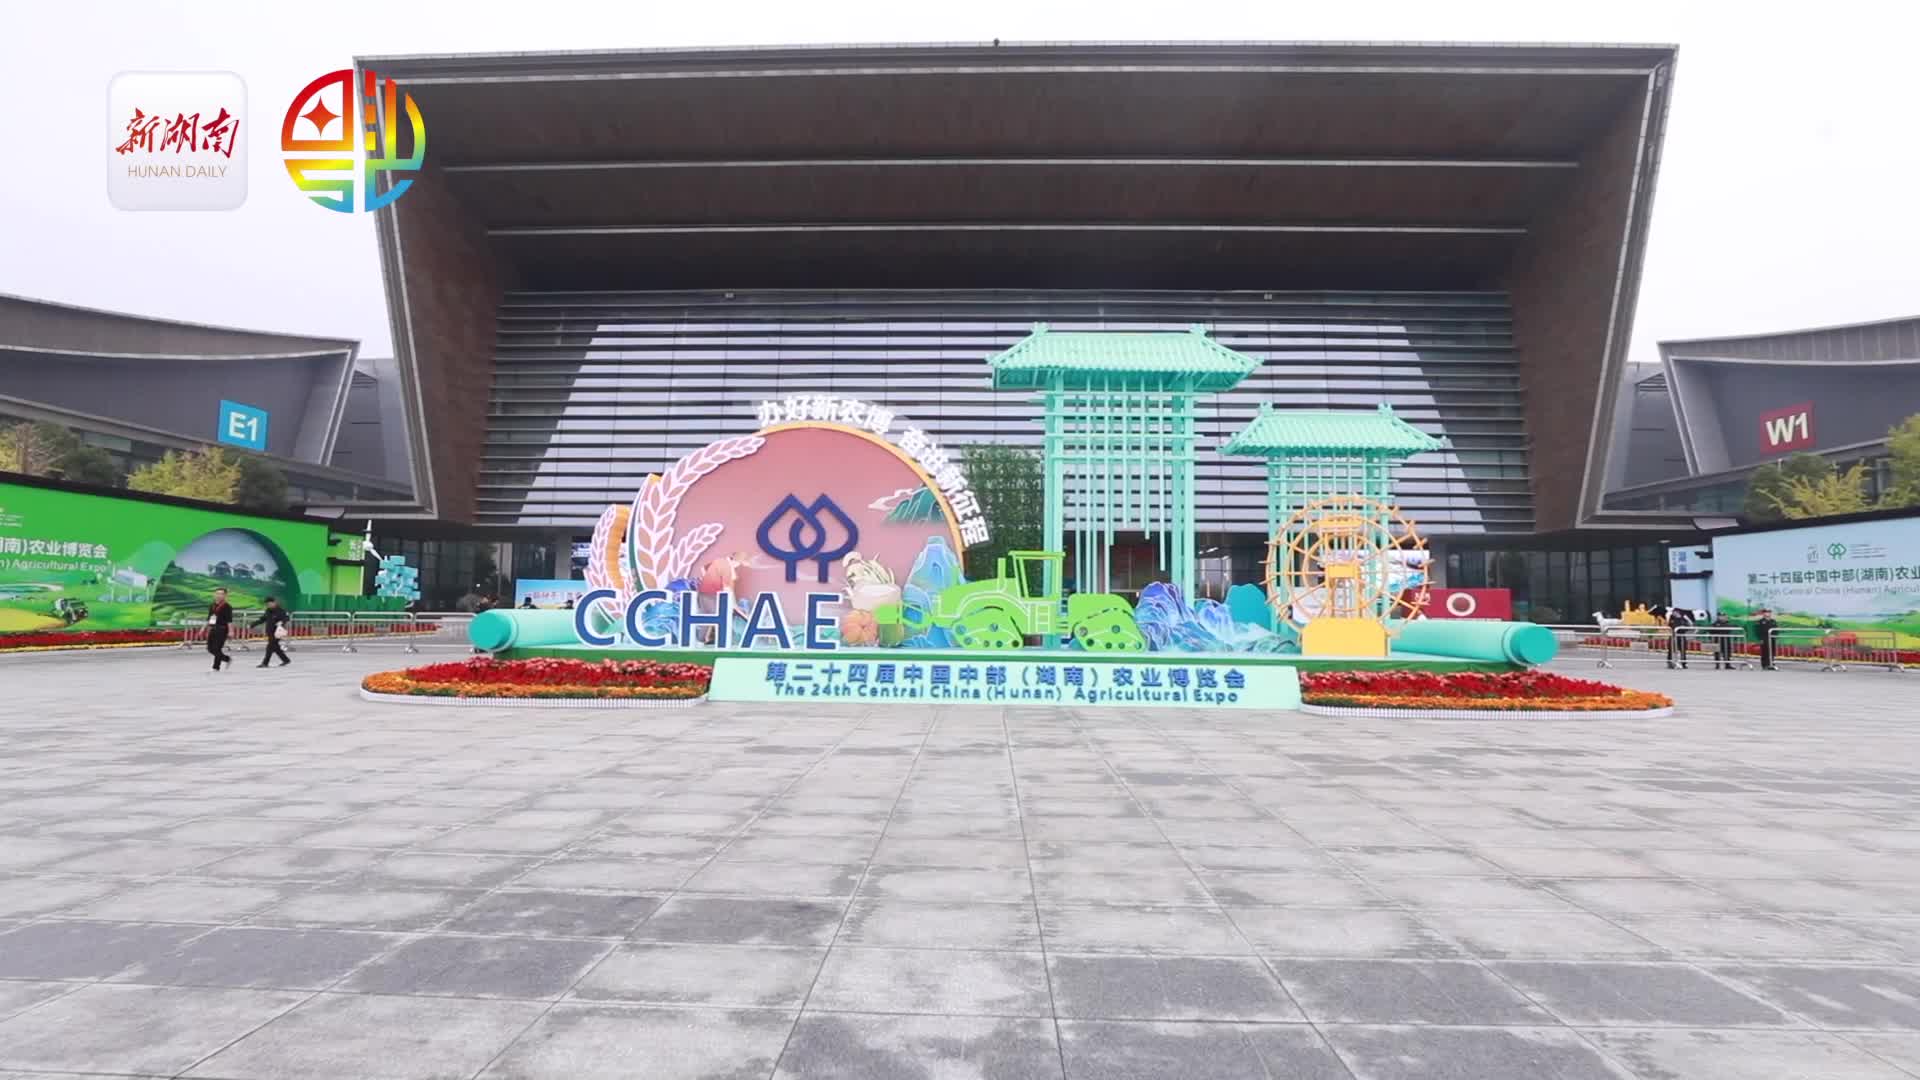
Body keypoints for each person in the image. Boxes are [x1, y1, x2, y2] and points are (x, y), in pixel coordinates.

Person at [251, 597, 292, 668]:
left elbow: (286, 618)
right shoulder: (268, 611)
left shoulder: (281, 611)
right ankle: (286, 660)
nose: (268, 605)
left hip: (277, 632)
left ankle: (265, 663)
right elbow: (263, 619)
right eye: (267, 604)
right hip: (270, 632)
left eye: (269, 604)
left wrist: (281, 622)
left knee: (269, 647)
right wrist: (253, 624)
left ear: (274, 603)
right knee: (275, 647)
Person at [205, 587, 234, 671]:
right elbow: (210, 618)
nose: (219, 595)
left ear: (225, 595)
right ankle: (226, 659)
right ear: (214, 595)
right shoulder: (212, 605)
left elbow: (229, 620)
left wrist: (231, 631)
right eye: (217, 593)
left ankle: (216, 667)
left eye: (221, 594)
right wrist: (204, 628)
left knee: (217, 648)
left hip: (222, 629)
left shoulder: (227, 606)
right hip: (213, 628)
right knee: (210, 649)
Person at [1664, 604, 1694, 669]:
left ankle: (1681, 663)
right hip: (1676, 635)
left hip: (1679, 635)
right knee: (1674, 649)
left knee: (1680, 649)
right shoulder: (1672, 616)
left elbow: (1690, 624)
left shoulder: (1682, 617)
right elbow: (1669, 625)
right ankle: (1673, 662)